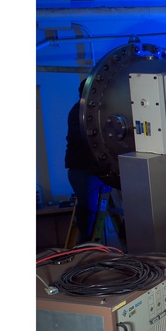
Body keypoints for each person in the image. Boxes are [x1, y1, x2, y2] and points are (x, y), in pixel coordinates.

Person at [65, 87, 107, 243]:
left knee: (88, 213)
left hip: (87, 170)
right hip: (84, 171)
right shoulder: (80, 113)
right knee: (88, 214)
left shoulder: (80, 111)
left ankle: (87, 244)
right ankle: (86, 249)